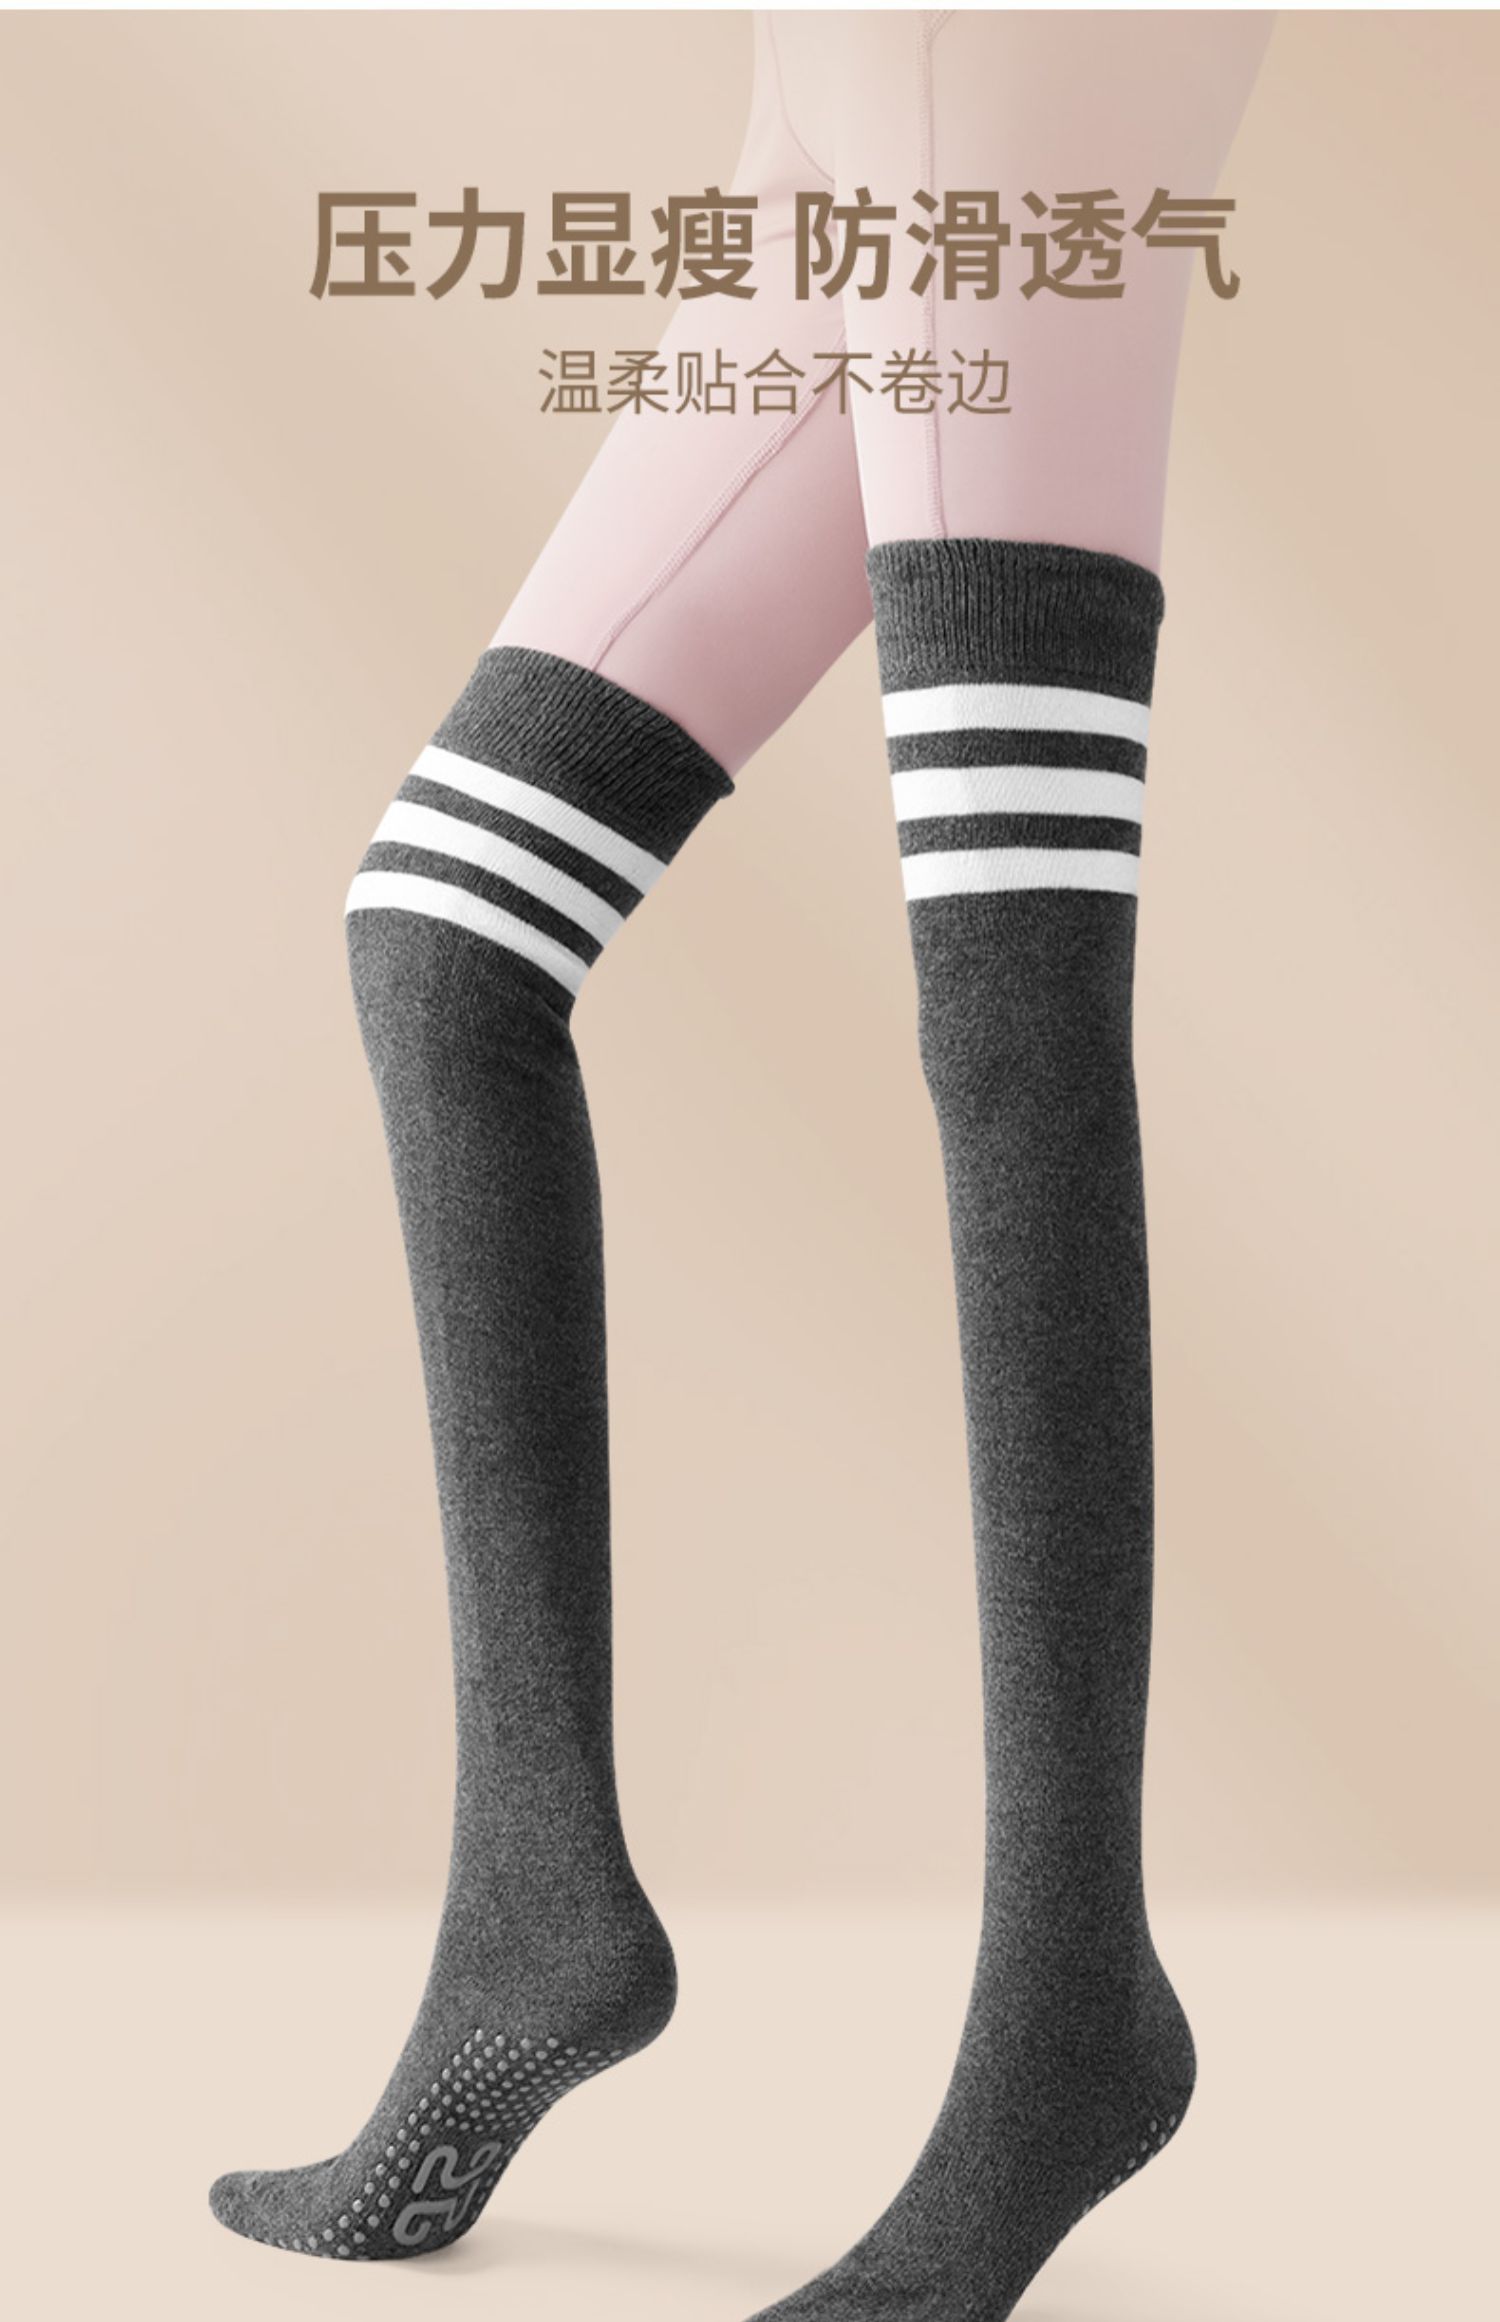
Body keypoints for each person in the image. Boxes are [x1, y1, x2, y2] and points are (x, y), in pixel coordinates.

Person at [210, 12, 1273, 2311]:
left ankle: (1071, 1994)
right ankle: (538, 1905)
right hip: (835, 89)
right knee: (447, 939)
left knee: (1011, 995)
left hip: (999, 61)